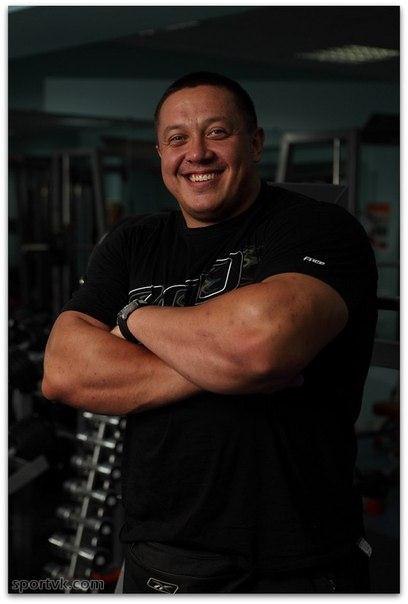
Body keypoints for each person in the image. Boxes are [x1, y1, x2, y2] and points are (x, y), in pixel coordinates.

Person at [42, 72, 378, 593]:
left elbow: (260, 346)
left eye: (217, 132)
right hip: (158, 558)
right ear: (161, 153)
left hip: (295, 566)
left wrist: (133, 318)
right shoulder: (132, 241)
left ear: (255, 143)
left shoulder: (317, 227)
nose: (196, 153)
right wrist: (229, 365)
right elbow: (63, 371)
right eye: (177, 138)